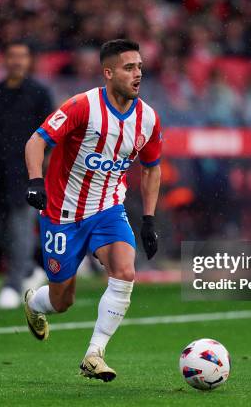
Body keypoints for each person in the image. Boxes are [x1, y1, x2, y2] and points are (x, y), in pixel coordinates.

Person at [23, 39, 161, 382]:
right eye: (129, 68)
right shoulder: (81, 106)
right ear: (108, 72)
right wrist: (36, 181)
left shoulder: (147, 119)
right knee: (62, 300)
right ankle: (34, 303)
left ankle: (94, 353)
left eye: (140, 67)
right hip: (63, 213)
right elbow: (36, 141)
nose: (138, 73)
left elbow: (151, 167)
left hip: (108, 209)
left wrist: (148, 219)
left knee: (125, 271)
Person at [0, 39, 54, 309]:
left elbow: (51, 134)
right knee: (0, 231)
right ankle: (30, 271)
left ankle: (12, 283)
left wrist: (42, 169)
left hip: (26, 173)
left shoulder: (39, 94)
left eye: (22, 56)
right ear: (5, 60)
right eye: (13, 56)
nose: (17, 61)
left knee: (21, 228)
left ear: (28, 61)